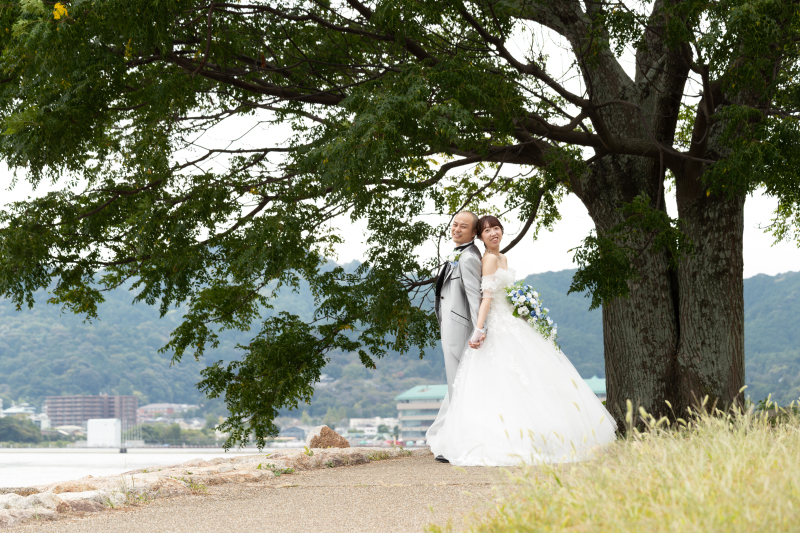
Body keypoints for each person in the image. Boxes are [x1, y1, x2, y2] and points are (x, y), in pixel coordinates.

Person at [426, 215, 617, 466]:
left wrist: (520, 308)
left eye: (496, 228)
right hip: (496, 322)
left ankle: (532, 436)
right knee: (499, 382)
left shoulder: (501, 258)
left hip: (509, 322)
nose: (493, 233)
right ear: (480, 236)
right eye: (487, 230)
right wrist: (480, 327)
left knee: (524, 378)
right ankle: (500, 436)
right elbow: (484, 298)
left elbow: (495, 295)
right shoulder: (488, 259)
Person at [427, 211, 483, 463]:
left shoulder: (469, 257)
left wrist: (478, 330)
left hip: (461, 331)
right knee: (457, 386)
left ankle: (459, 446)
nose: (457, 229)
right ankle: (457, 442)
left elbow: (475, 297)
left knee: (459, 386)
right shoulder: (457, 252)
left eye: (464, 227)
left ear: (474, 233)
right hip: (450, 328)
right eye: (454, 225)